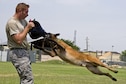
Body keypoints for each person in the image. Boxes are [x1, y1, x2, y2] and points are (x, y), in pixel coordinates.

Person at [6, 3, 35, 84]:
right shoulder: (12, 22)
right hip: (17, 52)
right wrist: (28, 27)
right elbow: (18, 40)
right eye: (26, 12)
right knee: (27, 78)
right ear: (20, 11)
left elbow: (27, 32)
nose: (27, 14)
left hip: (24, 51)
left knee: (25, 77)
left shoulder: (23, 21)